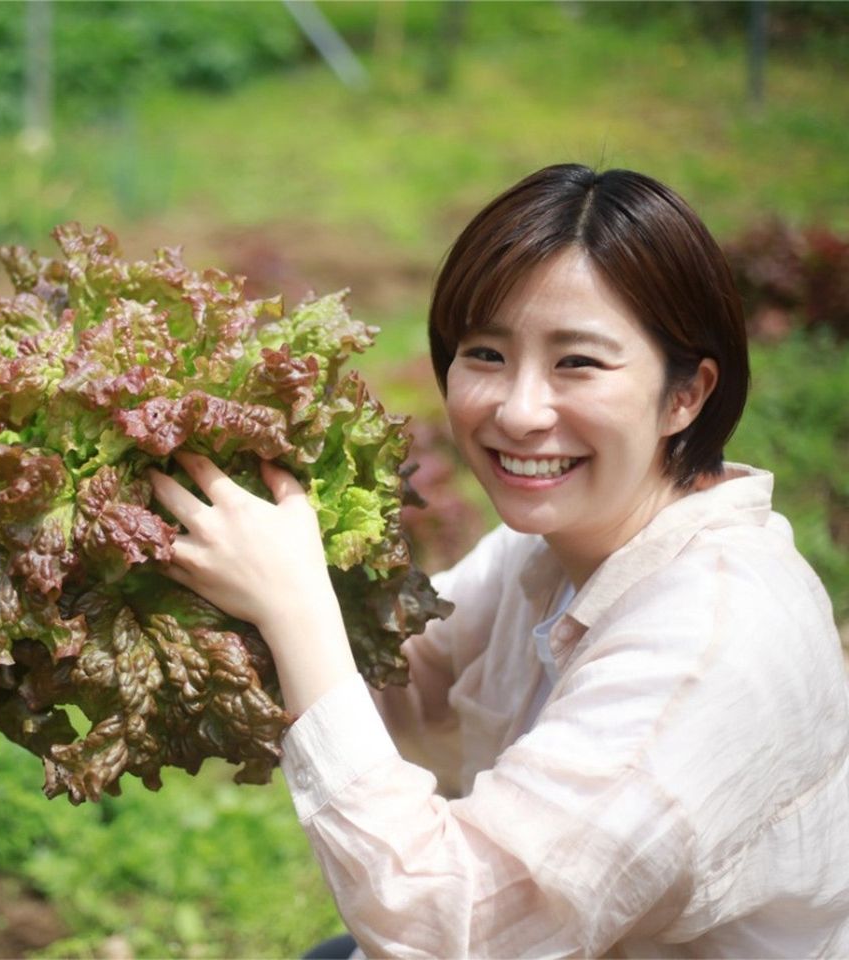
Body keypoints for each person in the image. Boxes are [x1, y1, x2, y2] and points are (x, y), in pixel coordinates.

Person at [148, 164, 849, 957]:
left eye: (577, 363)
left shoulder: (712, 641)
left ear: (686, 394)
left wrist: (297, 607)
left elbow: (451, 925)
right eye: (485, 354)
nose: (519, 411)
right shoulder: (546, 555)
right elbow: (400, 686)